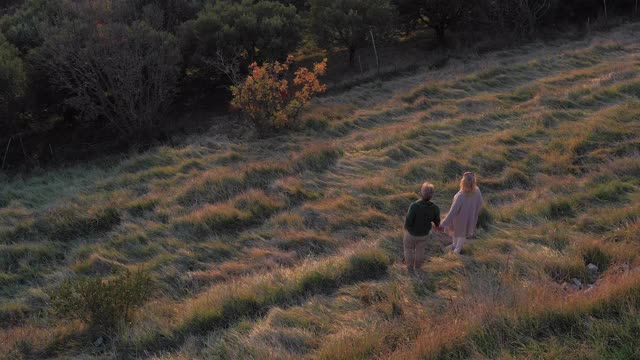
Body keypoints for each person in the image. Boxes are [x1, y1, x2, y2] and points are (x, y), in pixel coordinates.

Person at [440, 172, 483, 254]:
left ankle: (457, 250)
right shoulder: (477, 191)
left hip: (458, 219)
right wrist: (475, 212)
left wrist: (444, 222)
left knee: (458, 233)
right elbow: (480, 202)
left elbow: (453, 210)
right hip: (470, 218)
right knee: (461, 234)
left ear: (462, 182)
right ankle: (455, 245)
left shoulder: (461, 195)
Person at [404, 182, 441, 272]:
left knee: (408, 249)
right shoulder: (435, 208)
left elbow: (408, 220)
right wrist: (437, 227)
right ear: (432, 195)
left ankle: (409, 267)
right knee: (420, 250)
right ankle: (418, 267)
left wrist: (407, 228)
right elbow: (437, 221)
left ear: (421, 193)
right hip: (424, 234)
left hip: (411, 233)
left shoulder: (414, 206)